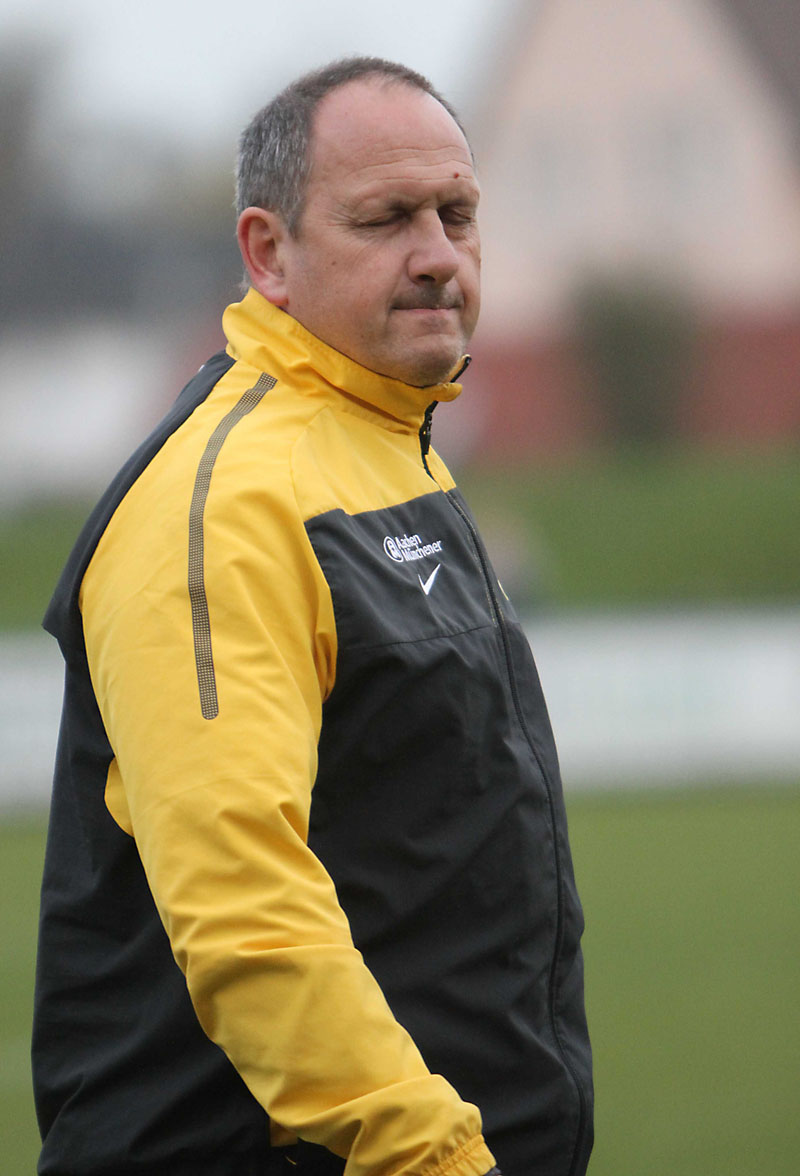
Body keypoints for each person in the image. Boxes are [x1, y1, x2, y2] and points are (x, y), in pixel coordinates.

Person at [33, 57, 593, 1176]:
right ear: (267, 254)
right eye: (386, 219)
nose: (436, 254)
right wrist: (436, 1156)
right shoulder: (224, 505)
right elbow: (246, 913)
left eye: (456, 214)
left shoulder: (388, 447)